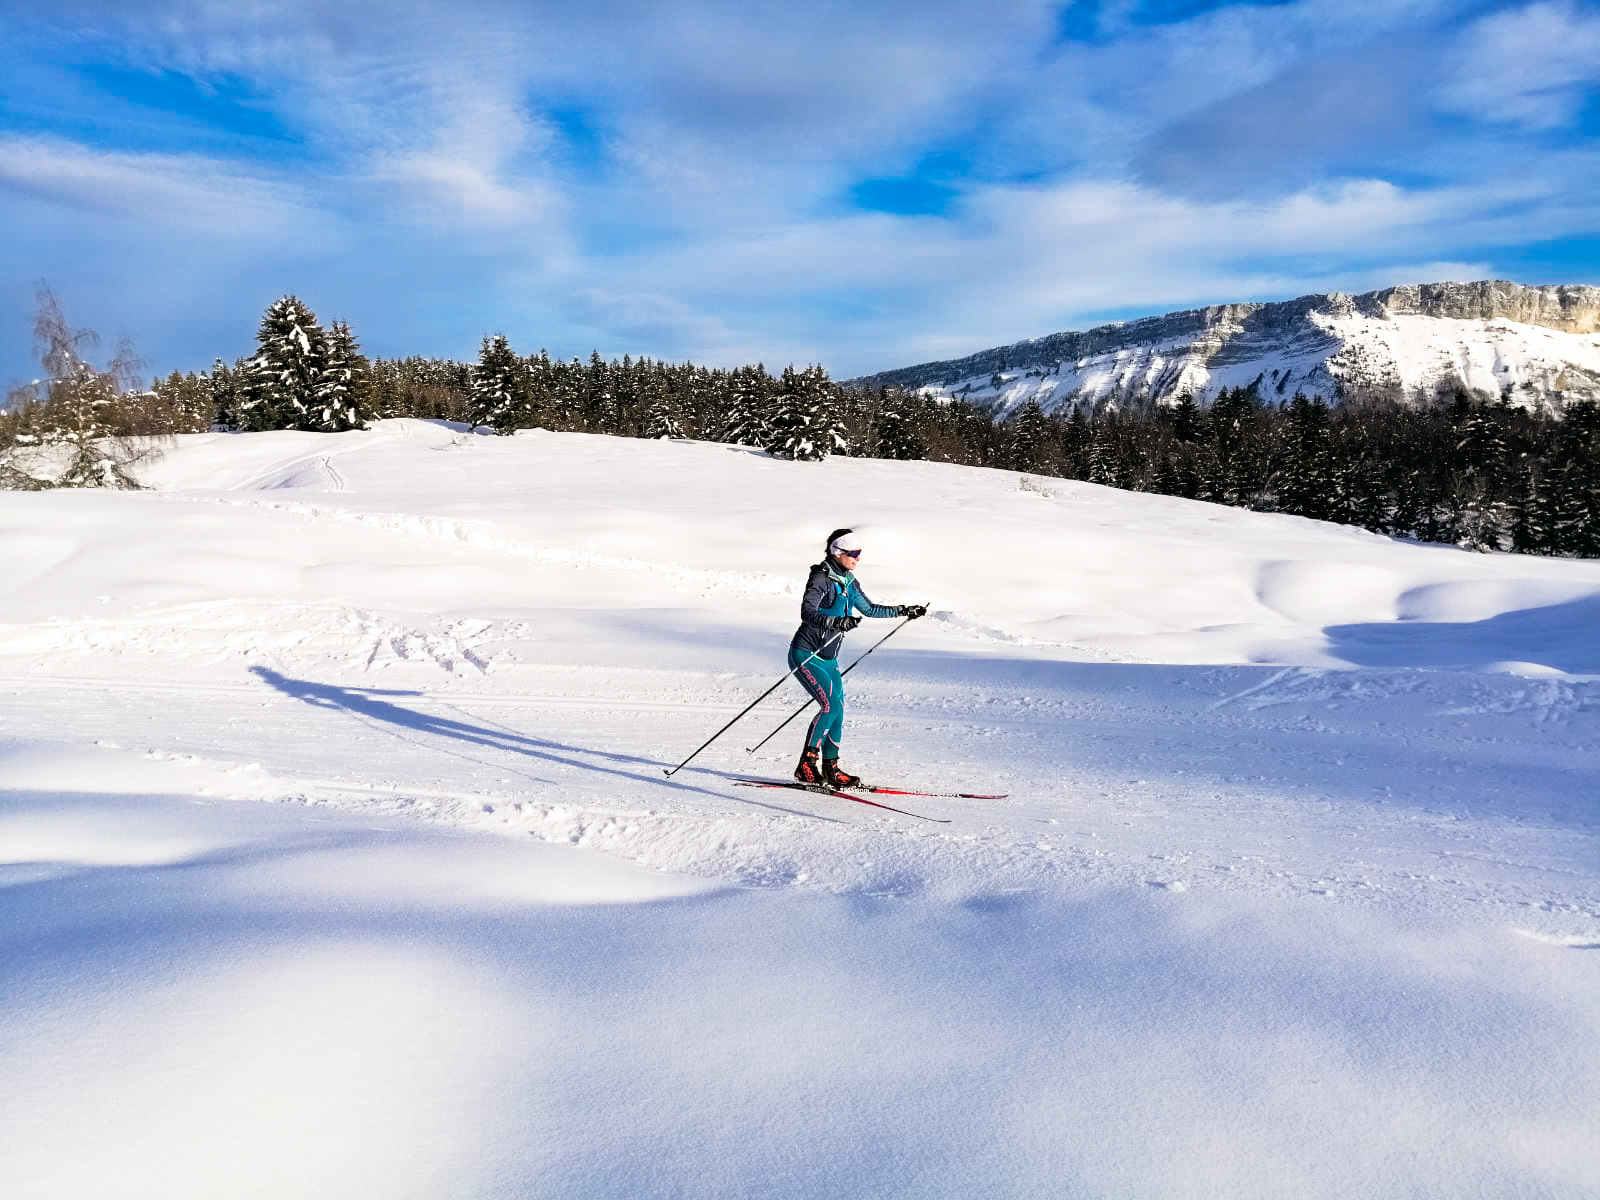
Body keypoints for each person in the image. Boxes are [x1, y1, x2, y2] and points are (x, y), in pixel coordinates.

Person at [789, 528, 926, 788]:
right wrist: (836, 621)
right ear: (837, 552)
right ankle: (806, 765)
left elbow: (869, 609)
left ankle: (831, 769)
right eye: (853, 553)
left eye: (859, 553)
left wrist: (904, 610)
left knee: (838, 710)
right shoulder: (821, 578)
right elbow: (807, 612)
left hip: (828, 658)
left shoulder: (848, 581)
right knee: (829, 706)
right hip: (806, 653)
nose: (857, 558)